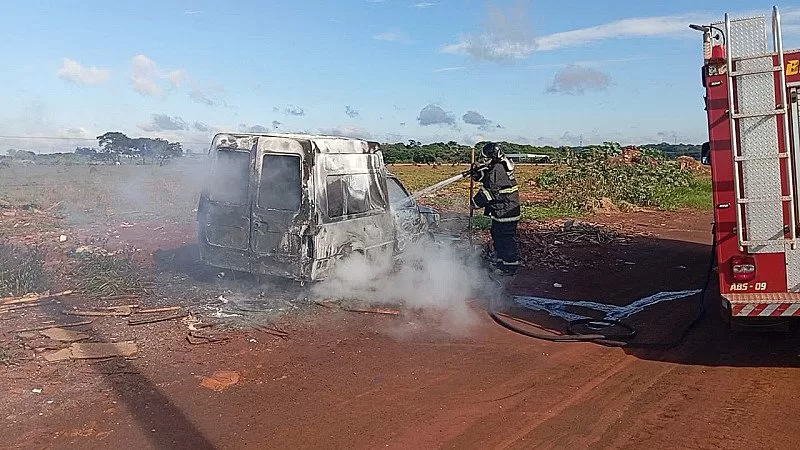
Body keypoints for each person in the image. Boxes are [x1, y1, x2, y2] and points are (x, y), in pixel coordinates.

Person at [471, 142, 521, 275]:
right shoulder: (499, 165)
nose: (484, 160)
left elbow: (489, 192)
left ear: (493, 156)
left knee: (505, 238)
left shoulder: (497, 170)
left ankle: (510, 266)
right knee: (497, 234)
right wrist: (476, 173)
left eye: (486, 157)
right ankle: (501, 261)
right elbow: (486, 177)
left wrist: (475, 203)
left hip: (506, 210)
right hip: (502, 209)